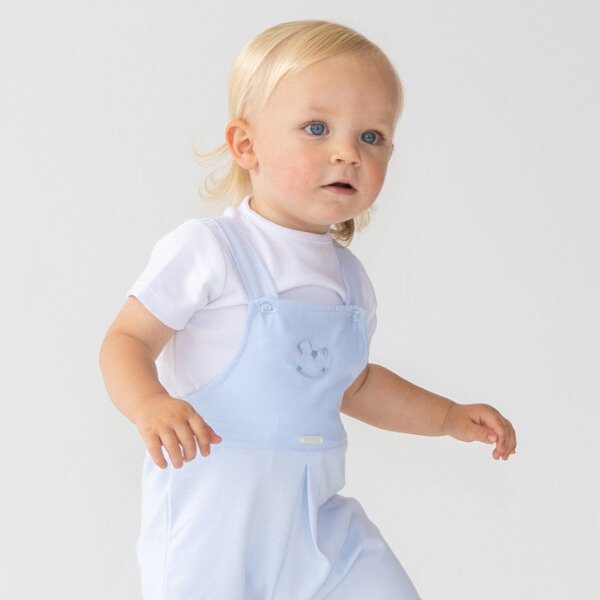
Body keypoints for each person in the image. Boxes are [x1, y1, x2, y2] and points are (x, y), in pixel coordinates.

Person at [100, 20, 516, 600]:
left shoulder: (349, 282)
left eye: (372, 137)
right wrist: (148, 403)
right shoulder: (211, 250)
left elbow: (355, 384)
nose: (347, 152)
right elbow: (126, 340)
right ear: (247, 145)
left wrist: (445, 415)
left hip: (317, 524)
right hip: (213, 523)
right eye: (317, 128)